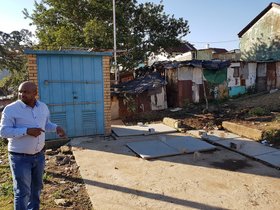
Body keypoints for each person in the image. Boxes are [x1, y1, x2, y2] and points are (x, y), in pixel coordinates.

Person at [0, 81, 66, 210]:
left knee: (36, 190)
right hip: (19, 158)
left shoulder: (43, 107)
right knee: (22, 192)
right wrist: (26, 131)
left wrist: (56, 127)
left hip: (39, 156)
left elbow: (45, 125)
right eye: (20, 91)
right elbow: (3, 131)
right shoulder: (11, 109)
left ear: (35, 93)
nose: (21, 94)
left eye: (26, 92)